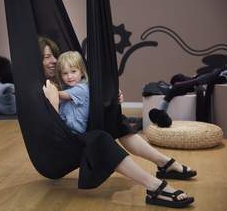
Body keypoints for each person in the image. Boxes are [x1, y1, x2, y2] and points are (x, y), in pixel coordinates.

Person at [40, 36, 195, 208]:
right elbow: (51, 123)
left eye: (54, 55)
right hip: (63, 143)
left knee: (115, 118)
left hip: (78, 128)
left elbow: (83, 95)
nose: (53, 60)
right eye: (47, 57)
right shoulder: (40, 85)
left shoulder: (65, 85)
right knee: (100, 138)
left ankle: (163, 163)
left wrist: (110, 98)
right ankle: (154, 185)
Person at [49, 51, 89, 134]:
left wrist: (50, 90)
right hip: (67, 128)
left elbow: (59, 95)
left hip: (77, 131)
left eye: (73, 71)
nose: (69, 76)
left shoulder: (82, 88)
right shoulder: (67, 88)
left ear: (81, 72)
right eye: (65, 73)